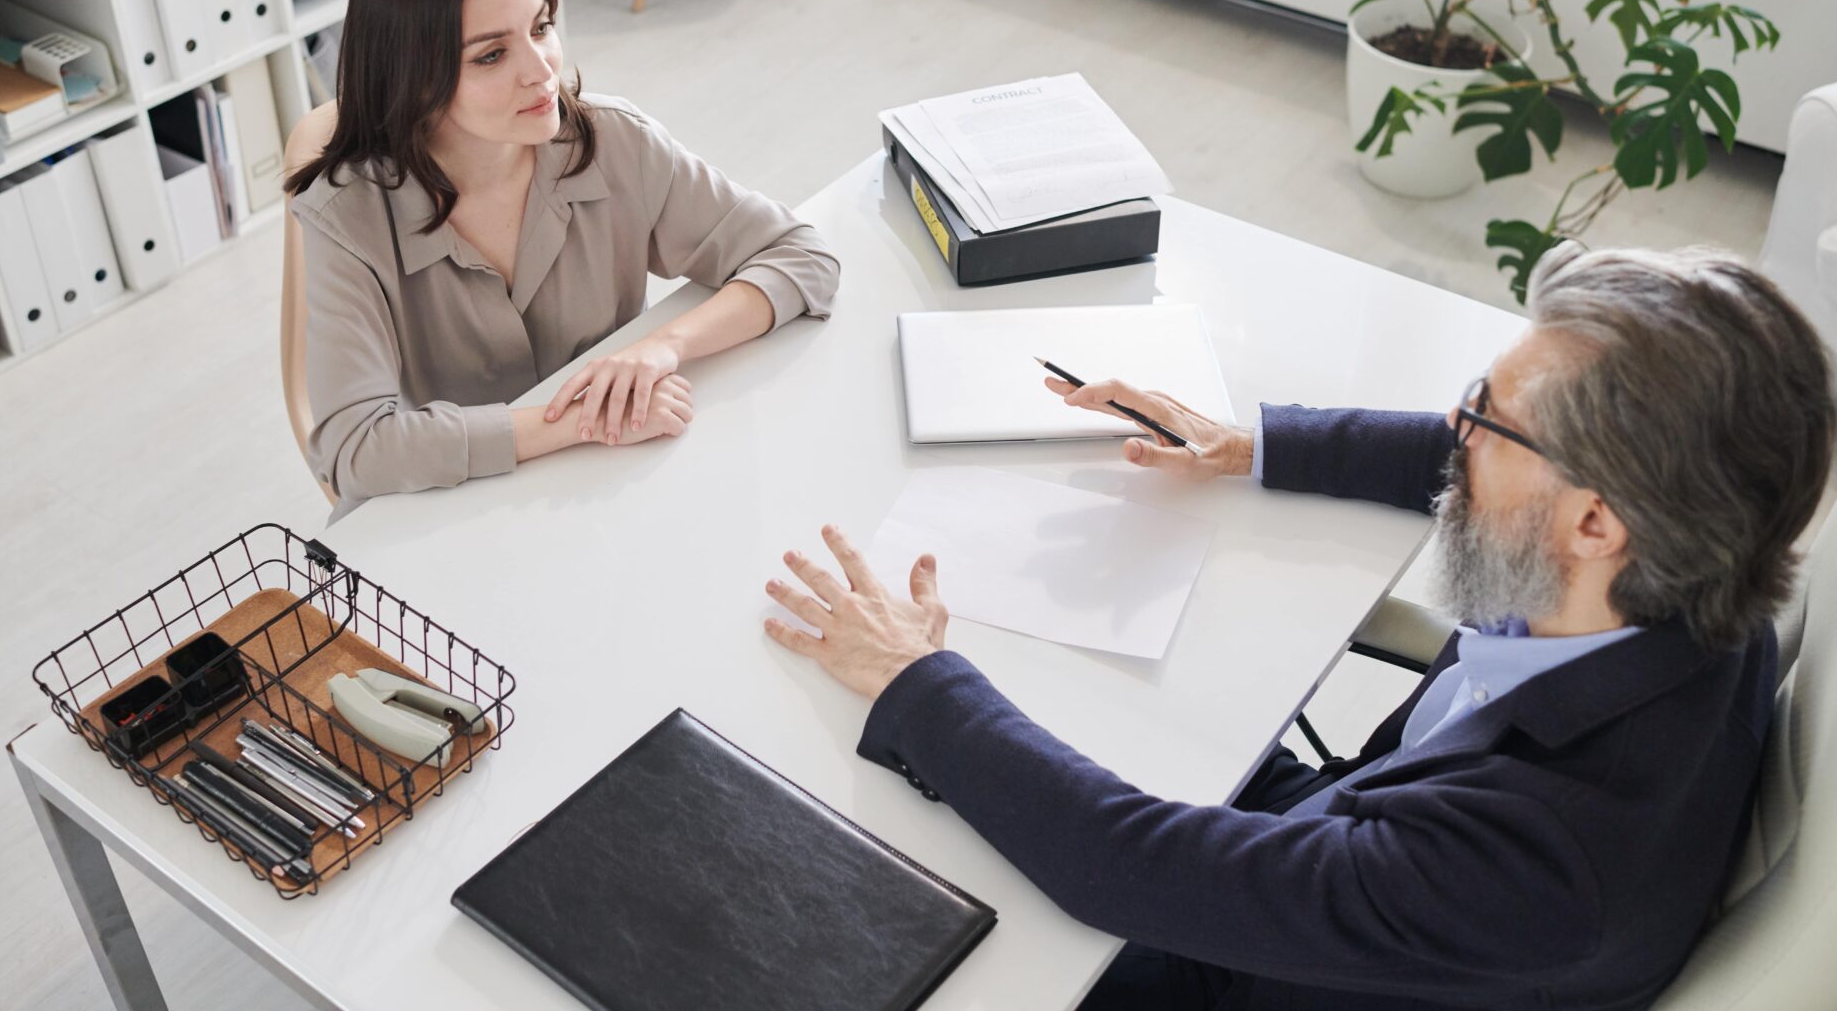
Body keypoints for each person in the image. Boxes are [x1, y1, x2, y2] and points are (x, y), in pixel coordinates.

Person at [761, 243, 1835, 1010]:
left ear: (1597, 520)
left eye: (1483, 417)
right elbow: (1485, 462)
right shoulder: (1698, 571)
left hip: (1247, 965)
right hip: (1350, 840)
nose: (1453, 430)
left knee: (825, 886)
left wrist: (916, 678)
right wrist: (1252, 443)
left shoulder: (1539, 863)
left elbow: (1125, 869)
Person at [286, 0, 838, 514]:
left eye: (542, 28)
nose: (540, 69)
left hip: (619, 482)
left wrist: (664, 345)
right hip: (458, 508)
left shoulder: (614, 142)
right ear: (413, 77)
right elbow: (355, 449)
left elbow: (800, 256)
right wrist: (578, 421)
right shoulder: (348, 217)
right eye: (491, 56)